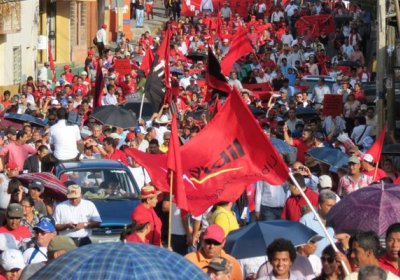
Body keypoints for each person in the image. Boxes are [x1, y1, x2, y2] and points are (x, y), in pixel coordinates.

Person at [299, 191, 337, 257]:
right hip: (312, 263)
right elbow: (299, 244)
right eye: (329, 206)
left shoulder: (338, 221)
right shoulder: (306, 220)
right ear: (320, 206)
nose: (333, 209)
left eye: (334, 206)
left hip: (331, 263)